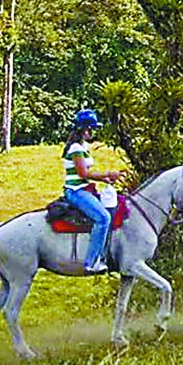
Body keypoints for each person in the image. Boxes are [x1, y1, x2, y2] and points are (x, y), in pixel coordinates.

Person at [61, 109, 123, 274]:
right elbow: (83, 173)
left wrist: (105, 180)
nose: (93, 132)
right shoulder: (75, 148)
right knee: (103, 218)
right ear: (83, 129)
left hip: (83, 188)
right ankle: (92, 262)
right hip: (75, 191)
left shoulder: (83, 146)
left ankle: (105, 254)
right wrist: (107, 174)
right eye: (91, 129)